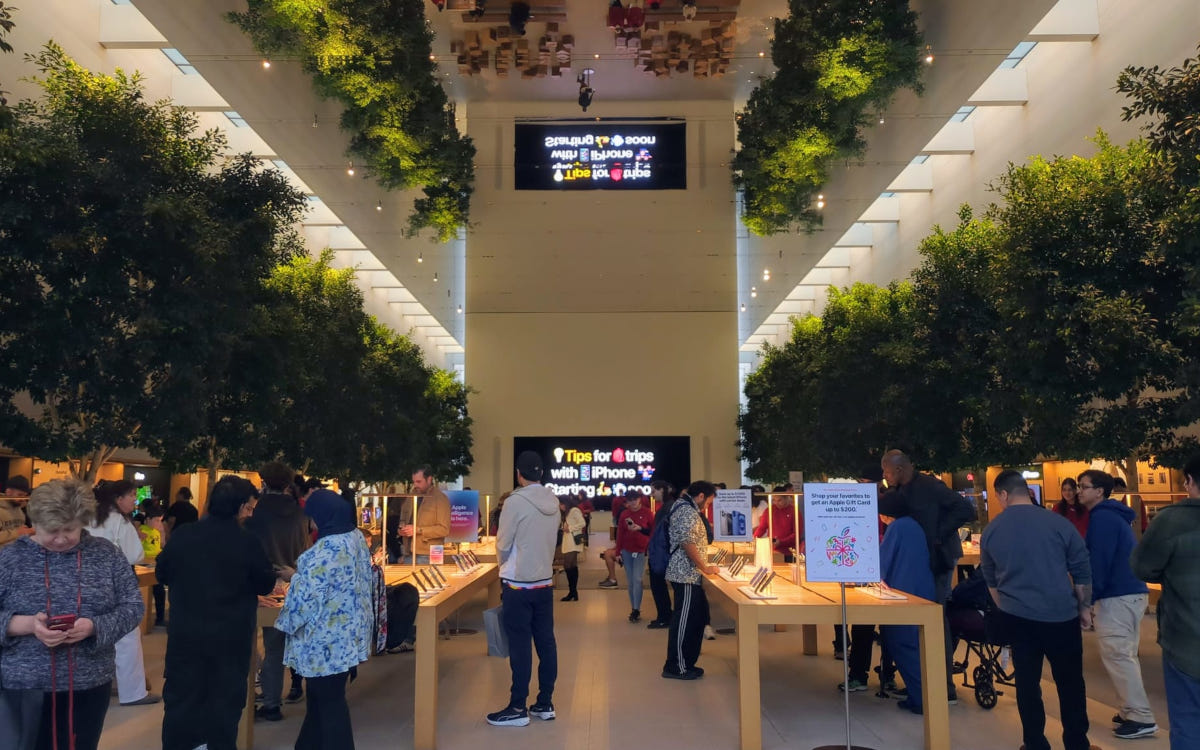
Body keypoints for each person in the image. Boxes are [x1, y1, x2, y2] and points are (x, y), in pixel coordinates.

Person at [0, 478, 143, 750]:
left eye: (70, 529)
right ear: (35, 523)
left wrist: (94, 627)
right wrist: (27, 625)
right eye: (51, 531)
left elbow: (133, 606)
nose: (61, 538)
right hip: (24, 685)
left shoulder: (106, 555)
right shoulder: (10, 559)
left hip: (89, 682)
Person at [157, 476, 276, 750]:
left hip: (185, 637)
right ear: (241, 506)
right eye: (250, 506)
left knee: (180, 705)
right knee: (224, 707)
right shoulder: (246, 541)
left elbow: (163, 572)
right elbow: (265, 583)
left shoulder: (184, 535)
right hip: (229, 638)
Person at [981, 470, 1096, 750]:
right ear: (1028, 492)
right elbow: (1081, 570)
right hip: (1061, 615)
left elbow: (991, 579)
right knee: (1070, 683)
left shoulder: (992, 530)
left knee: (1027, 684)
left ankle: (1034, 742)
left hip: (1018, 618)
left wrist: (1006, 607)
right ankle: (1076, 742)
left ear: (1004, 494)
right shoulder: (1058, 523)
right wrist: (1083, 608)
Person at [276, 490, 373, 750]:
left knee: (329, 706)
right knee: (322, 702)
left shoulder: (318, 554)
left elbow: (303, 605)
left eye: (313, 518)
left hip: (321, 646)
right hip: (348, 638)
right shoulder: (356, 539)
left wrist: (292, 581)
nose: (311, 524)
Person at [881, 449, 976, 701]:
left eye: (887, 471)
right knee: (915, 623)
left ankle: (944, 688)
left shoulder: (930, 486)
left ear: (899, 469)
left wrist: (936, 535)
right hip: (918, 562)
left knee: (934, 620)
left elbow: (965, 509)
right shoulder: (901, 491)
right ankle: (921, 683)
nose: (885, 476)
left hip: (937, 561)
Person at [1076, 469, 1157, 739]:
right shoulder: (1112, 516)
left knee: (1118, 655)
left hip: (1117, 595)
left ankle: (1140, 717)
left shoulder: (1102, 520)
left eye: (1084, 487)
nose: (1079, 491)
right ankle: (1128, 710)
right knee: (1124, 654)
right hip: (1130, 592)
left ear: (1099, 491)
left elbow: (1099, 563)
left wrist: (1087, 602)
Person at [1131, 455, 1200, 750]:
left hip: (1186, 642)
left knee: (1187, 724)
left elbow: (1143, 568)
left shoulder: (1172, 520)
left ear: (1188, 482)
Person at [487, 451, 560, 727]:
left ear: (519, 473)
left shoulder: (515, 502)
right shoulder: (553, 500)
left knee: (520, 646)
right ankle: (545, 703)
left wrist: (503, 567)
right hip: (544, 582)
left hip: (518, 584)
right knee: (546, 642)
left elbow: (503, 544)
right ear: (541, 474)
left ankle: (517, 707)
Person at [244, 460, 311, 720]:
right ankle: (272, 702)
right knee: (276, 647)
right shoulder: (299, 513)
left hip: (258, 583)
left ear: (263, 481)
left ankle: (251, 698)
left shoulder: (255, 514)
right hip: (290, 582)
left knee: (249, 644)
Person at [88, 479, 158, 707]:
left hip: (87, 581)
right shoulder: (121, 522)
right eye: (131, 496)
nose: (134, 501)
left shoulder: (89, 517)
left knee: (93, 630)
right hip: (116, 583)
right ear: (118, 499)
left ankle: (100, 682)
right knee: (127, 635)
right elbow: (135, 555)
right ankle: (133, 692)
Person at [876, 491, 936, 714]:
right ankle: (922, 694)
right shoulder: (913, 525)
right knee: (916, 646)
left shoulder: (897, 528)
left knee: (902, 644)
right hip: (922, 589)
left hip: (904, 592)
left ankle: (920, 698)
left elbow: (882, 562)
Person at [662, 480, 718, 680]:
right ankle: (676, 666)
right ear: (701, 496)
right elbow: (687, 542)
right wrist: (705, 567)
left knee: (693, 618)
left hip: (689, 574)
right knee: (683, 621)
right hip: (684, 574)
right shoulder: (686, 510)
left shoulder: (683, 507)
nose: (708, 506)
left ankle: (686, 663)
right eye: (709, 502)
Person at [400, 465, 451, 565]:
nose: (415, 485)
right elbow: (403, 518)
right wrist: (401, 529)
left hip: (430, 553)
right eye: (414, 481)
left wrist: (418, 530)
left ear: (429, 479)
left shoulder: (440, 498)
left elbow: (444, 529)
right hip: (408, 552)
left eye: (419, 482)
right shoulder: (411, 496)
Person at [616, 492, 653, 622]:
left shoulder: (648, 512)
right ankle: (634, 608)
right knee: (631, 581)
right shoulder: (624, 514)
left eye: (635, 499)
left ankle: (637, 608)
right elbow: (620, 533)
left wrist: (641, 529)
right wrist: (617, 552)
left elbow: (652, 531)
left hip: (641, 550)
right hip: (627, 550)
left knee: (637, 579)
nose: (632, 503)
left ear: (639, 499)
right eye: (630, 500)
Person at [645, 480, 676, 629]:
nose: (652, 495)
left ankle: (664, 616)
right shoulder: (666, 507)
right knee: (659, 586)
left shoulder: (668, 507)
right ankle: (664, 615)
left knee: (658, 586)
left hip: (662, 553)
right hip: (661, 551)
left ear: (662, 490)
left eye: (654, 491)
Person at [138, 506, 167, 627]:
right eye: (156, 520)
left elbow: (161, 545)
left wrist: (162, 532)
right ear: (148, 519)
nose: (158, 523)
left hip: (155, 563)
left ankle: (160, 618)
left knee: (159, 591)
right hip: (144, 564)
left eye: (160, 520)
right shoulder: (142, 530)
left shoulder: (157, 532)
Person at [753, 489, 797, 562]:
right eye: (774, 500)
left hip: (789, 552)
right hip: (772, 551)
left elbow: (796, 534)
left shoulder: (794, 511)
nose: (776, 503)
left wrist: (781, 542)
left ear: (786, 498)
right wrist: (754, 538)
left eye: (779, 500)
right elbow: (762, 528)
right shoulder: (769, 510)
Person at [559, 495, 585, 602]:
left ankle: (572, 591)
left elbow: (582, 523)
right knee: (570, 565)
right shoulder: (566, 512)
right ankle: (573, 592)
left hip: (573, 541)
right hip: (568, 541)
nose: (560, 506)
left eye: (561, 504)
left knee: (569, 565)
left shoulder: (574, 510)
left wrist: (570, 528)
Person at [0, 474, 33, 549]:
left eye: (24, 495)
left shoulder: (19, 509)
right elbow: (18, 532)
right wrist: (18, 532)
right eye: (20, 495)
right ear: (8, 492)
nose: (22, 498)